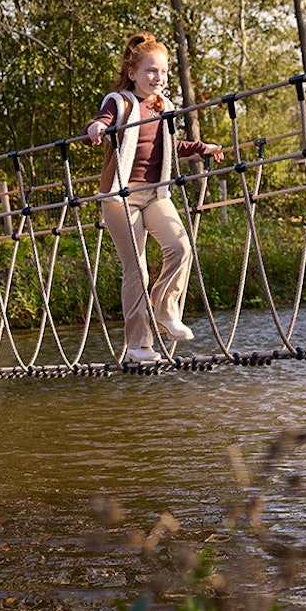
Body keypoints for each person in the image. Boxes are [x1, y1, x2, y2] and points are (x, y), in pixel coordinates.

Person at [86, 32, 224, 363]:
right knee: (137, 268)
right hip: (120, 196)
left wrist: (202, 147)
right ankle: (138, 344)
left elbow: (169, 145)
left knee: (180, 247)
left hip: (155, 193)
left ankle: (164, 309)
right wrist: (96, 128)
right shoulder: (119, 101)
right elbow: (102, 121)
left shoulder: (165, 107)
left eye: (162, 72)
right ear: (133, 73)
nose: (157, 78)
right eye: (150, 71)